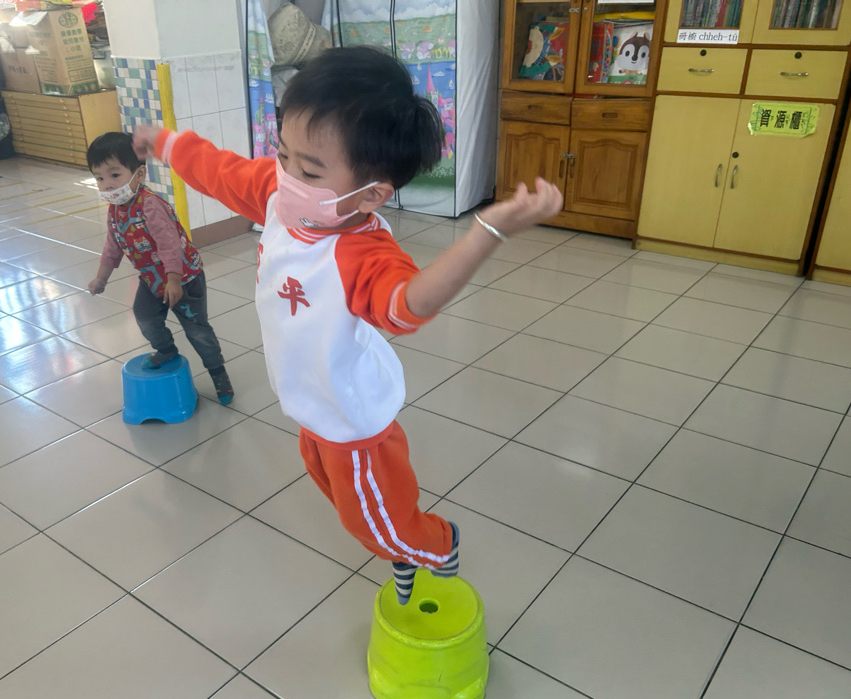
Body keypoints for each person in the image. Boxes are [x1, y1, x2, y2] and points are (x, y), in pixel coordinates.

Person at [133, 47, 562, 604]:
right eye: (283, 153)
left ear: (373, 194)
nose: (287, 176)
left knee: (376, 525)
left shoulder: (361, 252)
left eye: (310, 170)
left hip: (350, 417)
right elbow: (217, 169)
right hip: (310, 404)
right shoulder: (278, 194)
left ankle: (437, 544)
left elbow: (407, 306)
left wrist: (488, 232)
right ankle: (401, 547)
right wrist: (164, 142)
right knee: (347, 502)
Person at [86, 132, 233, 404]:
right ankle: (166, 350)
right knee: (144, 316)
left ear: (139, 173)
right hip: (152, 279)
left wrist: (174, 281)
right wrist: (100, 278)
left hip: (184, 278)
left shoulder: (150, 205)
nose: (107, 185)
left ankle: (218, 372)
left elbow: (169, 244)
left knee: (197, 331)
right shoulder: (115, 210)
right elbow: (112, 246)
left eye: (115, 175)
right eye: (99, 178)